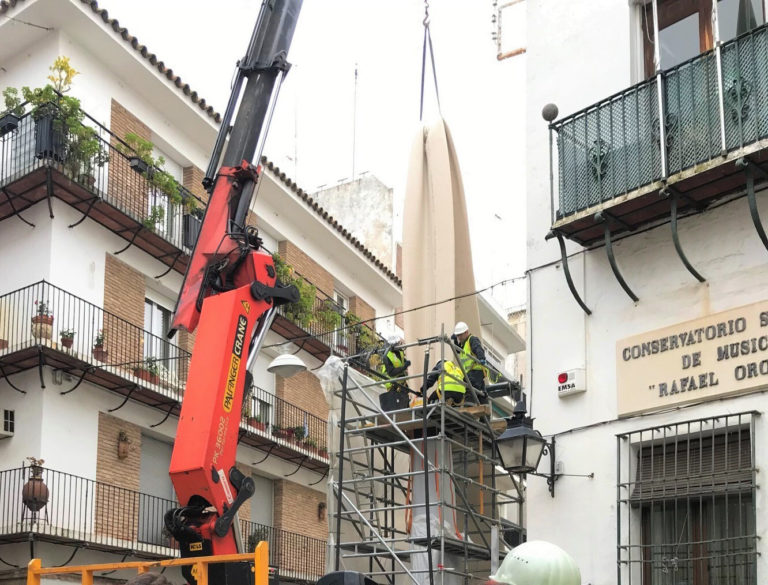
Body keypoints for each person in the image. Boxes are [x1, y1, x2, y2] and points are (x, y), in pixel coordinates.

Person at [451, 321, 488, 399]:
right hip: (471, 372)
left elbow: (478, 348)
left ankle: (471, 402)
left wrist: (481, 358)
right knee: (479, 392)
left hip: (475, 370)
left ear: (466, 332)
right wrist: (455, 340)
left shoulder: (472, 340)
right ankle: (483, 399)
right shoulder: (464, 344)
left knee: (469, 391)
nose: (459, 337)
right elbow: (458, 350)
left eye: (460, 335)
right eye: (457, 335)